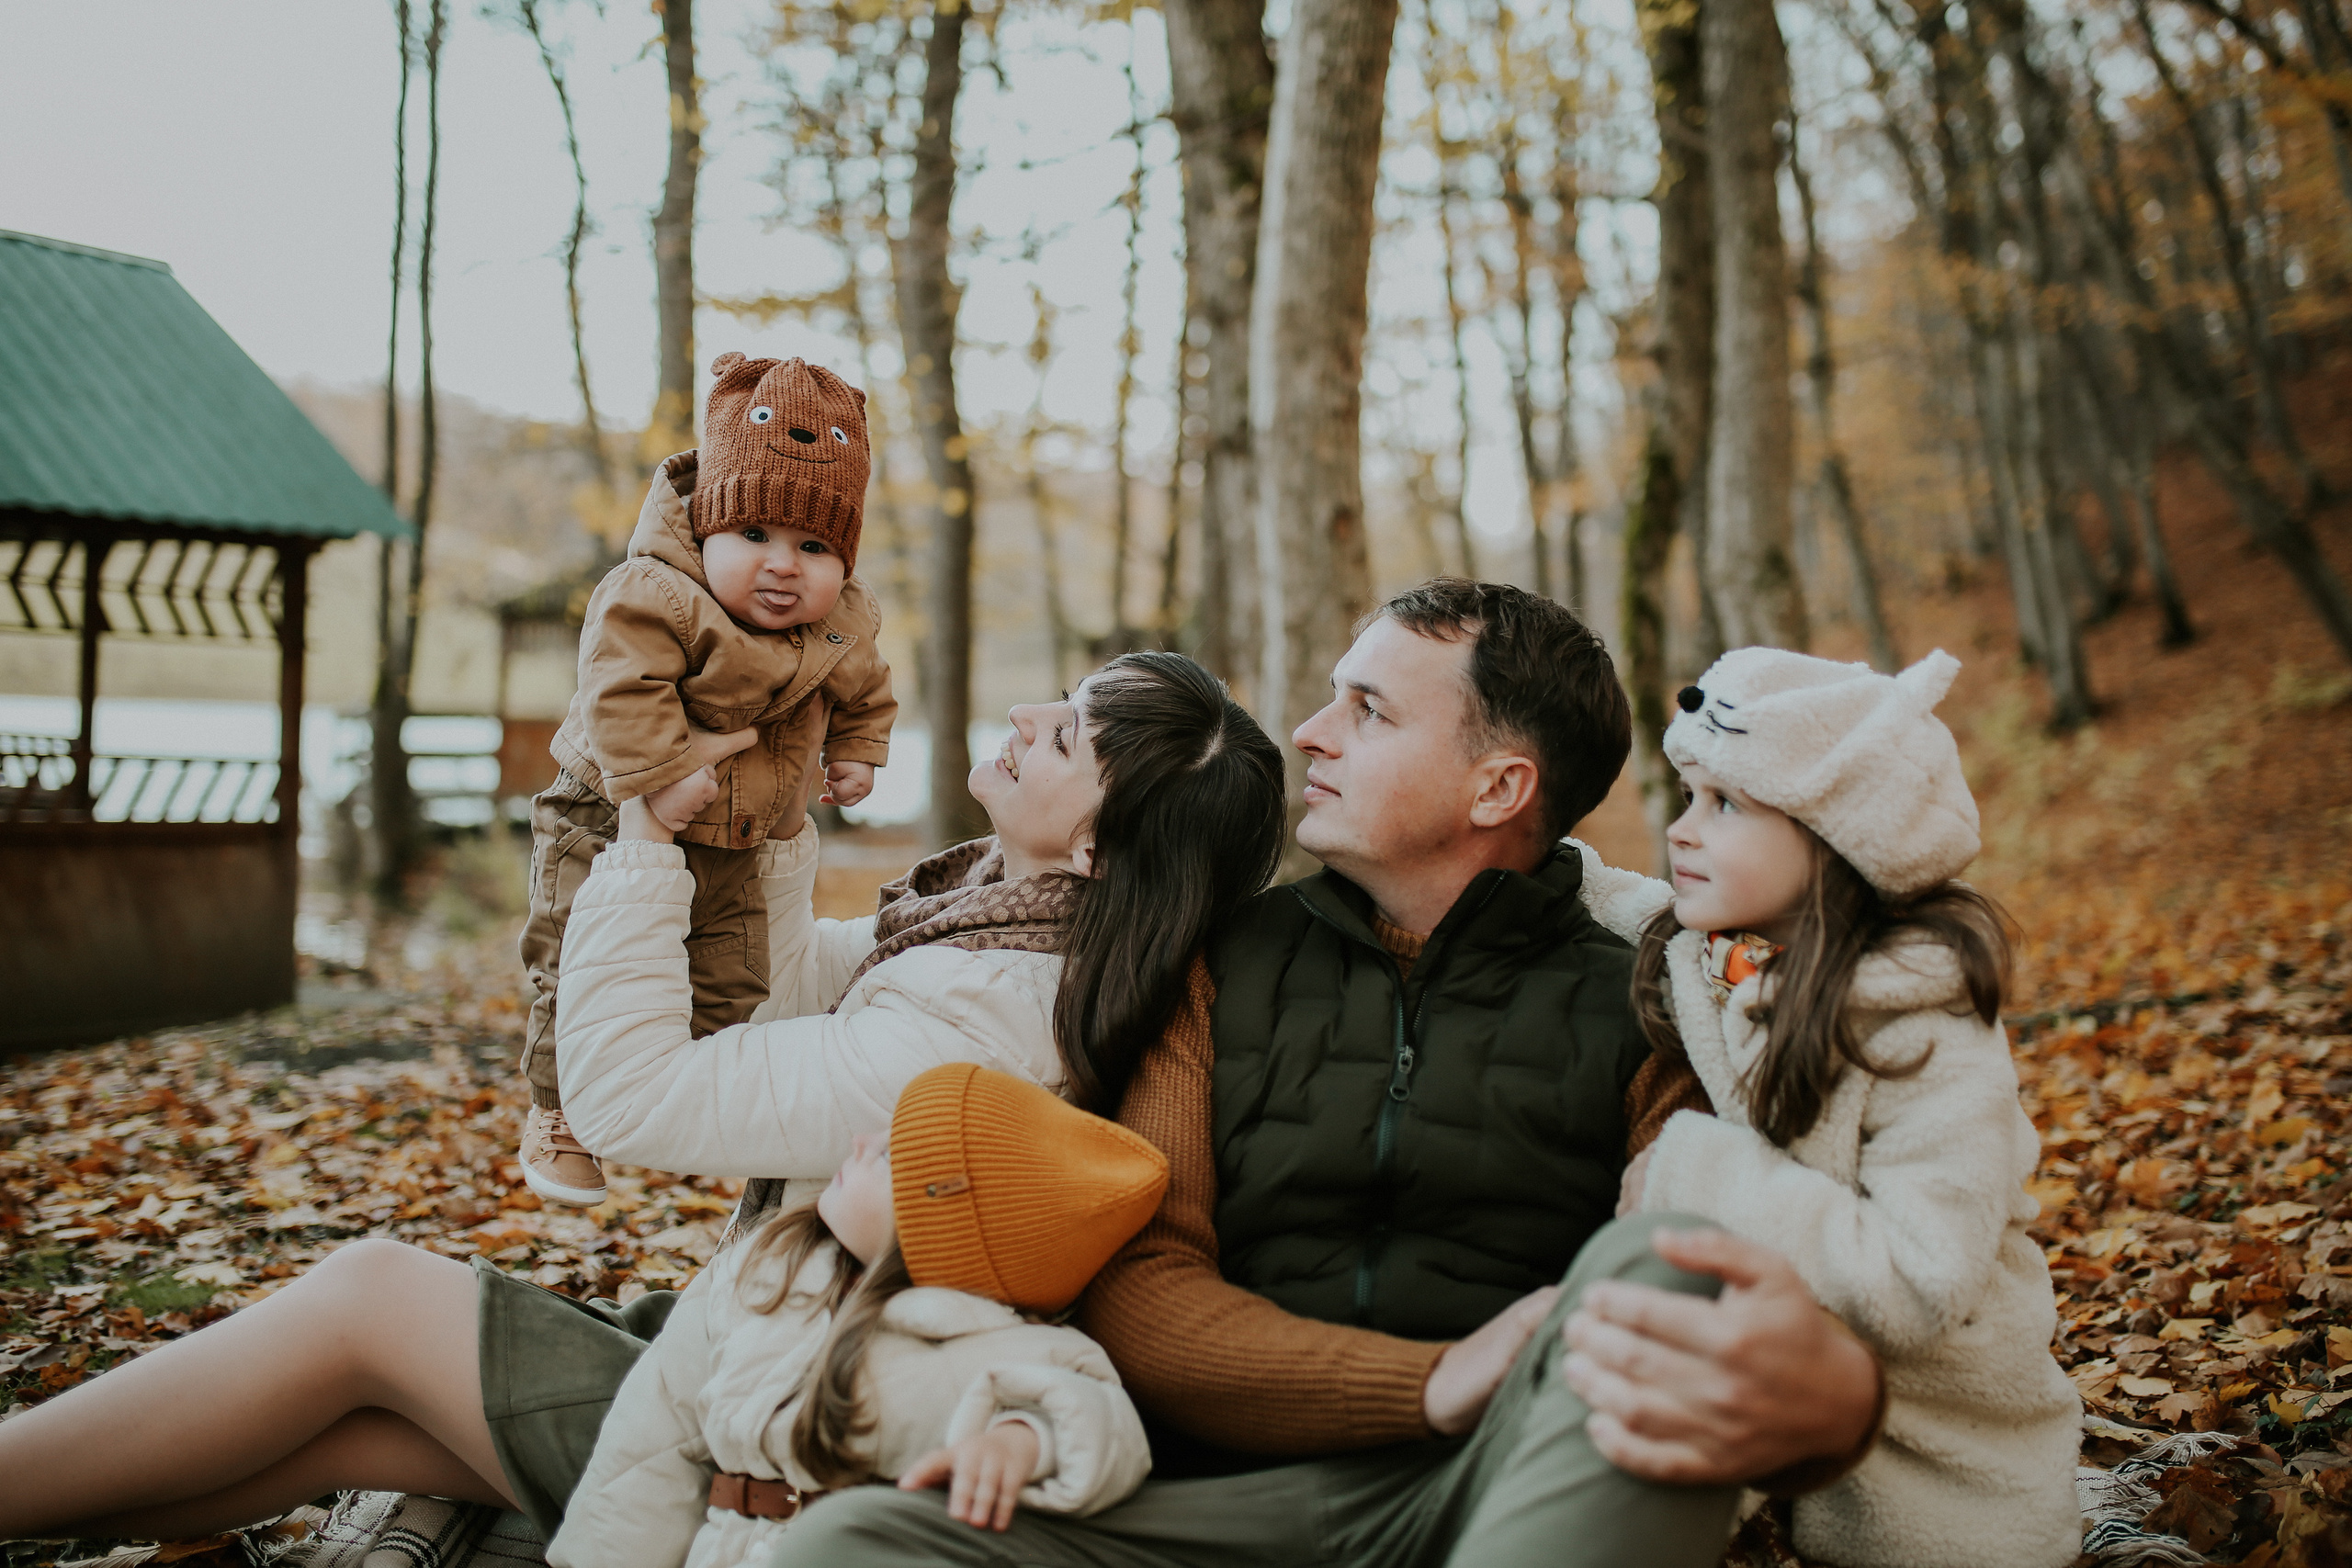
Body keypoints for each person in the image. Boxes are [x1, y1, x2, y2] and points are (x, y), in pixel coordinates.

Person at [0, 651, 1284, 1546]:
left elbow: (630, 1096)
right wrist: (779, 803)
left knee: (372, 1297)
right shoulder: (978, 942)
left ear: (1100, 847)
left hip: (788, 1411)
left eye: (1063, 732)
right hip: (762, 1342)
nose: (1022, 711)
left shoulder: (978, 1028)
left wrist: (646, 844)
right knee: (360, 1431)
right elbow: (784, 991)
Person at [765, 580, 1888, 1568]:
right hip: (1199, 1505)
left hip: (1499, 1490)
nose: (1309, 733)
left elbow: (1716, 1296)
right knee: (851, 1548)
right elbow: (1145, 1295)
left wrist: (1838, 1409)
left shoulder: (1647, 1003)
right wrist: (1432, 1379)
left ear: (1496, 790)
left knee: (1659, 1260)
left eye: (1369, 711)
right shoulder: (1222, 965)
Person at [1595, 648, 2082, 1567]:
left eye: (1725, 803)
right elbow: (1621, 900)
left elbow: (1918, 1277)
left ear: (1840, 838)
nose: (1682, 830)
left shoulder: (1931, 1037)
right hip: (1797, 1460)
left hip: (1950, 1493)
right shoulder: (1726, 955)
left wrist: (1695, 1172)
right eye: (1688, 795)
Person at [517, 351, 899, 1207]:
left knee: (732, 973)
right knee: (577, 955)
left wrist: (858, 751)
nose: (783, 565)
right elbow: (619, 685)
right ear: (706, 528)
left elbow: (867, 689)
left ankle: (681, 1078)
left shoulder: (840, 626)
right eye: (754, 535)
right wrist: (662, 772)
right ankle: (558, 1105)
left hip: (738, 831)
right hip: (607, 811)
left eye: (812, 546)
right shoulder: (656, 593)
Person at [548, 1063, 1164, 1568]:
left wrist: (1021, 1441)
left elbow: (1101, 1420)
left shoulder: (1007, 1351)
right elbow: (651, 1442)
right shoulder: (764, 1268)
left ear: (943, 1231)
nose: (859, 1141)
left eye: (890, 1154)